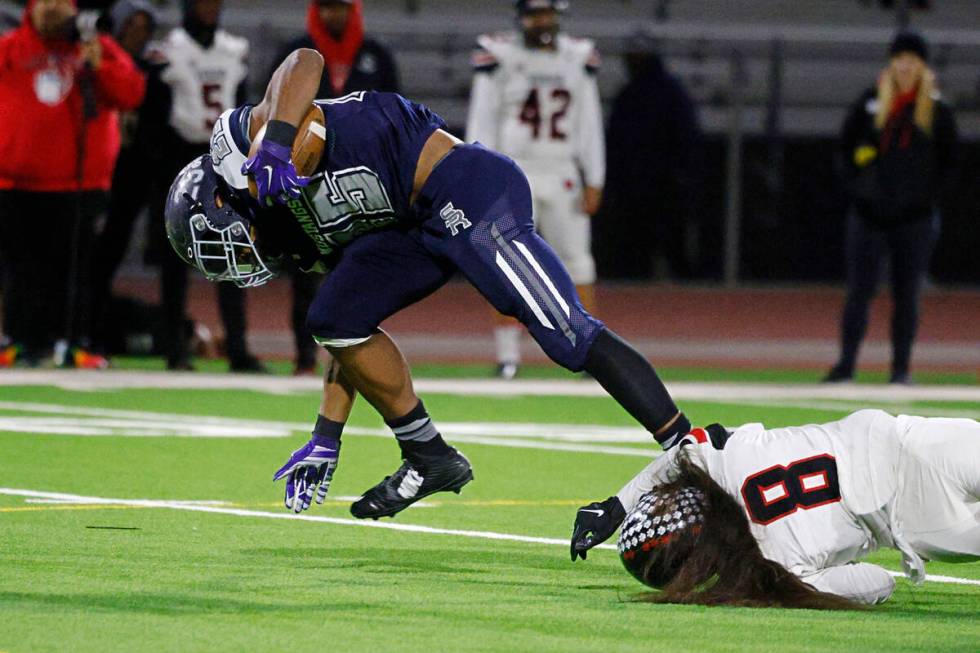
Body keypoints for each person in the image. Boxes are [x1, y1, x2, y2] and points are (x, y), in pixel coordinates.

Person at [164, 48, 693, 520]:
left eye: (213, 239)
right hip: (411, 228)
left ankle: (689, 448)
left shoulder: (250, 144)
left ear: (221, 196)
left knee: (565, 334)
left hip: (463, 188)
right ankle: (427, 454)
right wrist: (326, 436)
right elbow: (345, 330)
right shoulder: (292, 233)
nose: (227, 256)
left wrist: (276, 143)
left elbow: (304, 61)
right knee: (333, 316)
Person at [571, 409, 980, 607]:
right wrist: (615, 505)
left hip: (914, 518)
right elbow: (685, 449)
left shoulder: (770, 567)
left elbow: (877, 584)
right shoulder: (724, 459)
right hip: (903, 438)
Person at [0, 0, 145, 368]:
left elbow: (130, 93)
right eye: (45, 2)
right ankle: (19, 340)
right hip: (16, 179)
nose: (52, 9)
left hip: (79, 182)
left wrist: (97, 60)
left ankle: (73, 342)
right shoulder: (11, 48)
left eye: (60, 2)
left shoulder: (95, 44)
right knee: (20, 270)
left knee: (75, 269)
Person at [466, 0, 603, 379]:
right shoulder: (499, 54)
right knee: (503, 262)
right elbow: (483, 117)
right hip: (514, 170)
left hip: (562, 169)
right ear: (521, 17)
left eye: (547, 13)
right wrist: (479, 172)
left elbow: (588, 120)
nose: (541, 21)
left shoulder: (578, 56)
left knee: (578, 262)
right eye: (534, 14)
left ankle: (591, 351)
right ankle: (508, 356)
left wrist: (595, 177)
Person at [269, 0, 400, 375]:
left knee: (361, 274)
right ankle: (304, 357)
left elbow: (396, 115)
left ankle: (354, 359)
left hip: (361, 182)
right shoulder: (293, 54)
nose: (332, 15)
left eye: (339, 7)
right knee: (305, 272)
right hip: (306, 182)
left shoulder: (376, 55)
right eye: (325, 7)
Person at [824, 31, 957, 385]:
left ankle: (900, 370)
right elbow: (845, 148)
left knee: (907, 294)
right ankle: (846, 366)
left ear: (923, 66)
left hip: (915, 219)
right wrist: (858, 189)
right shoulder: (871, 102)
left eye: (913, 60)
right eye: (900, 58)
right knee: (859, 292)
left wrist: (925, 199)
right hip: (869, 217)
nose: (905, 66)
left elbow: (950, 162)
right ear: (891, 62)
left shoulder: (937, 111)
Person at [149, 0, 265, 371]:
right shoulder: (170, 50)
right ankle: (174, 348)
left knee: (234, 249)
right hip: (178, 154)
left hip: (223, 156)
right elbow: (156, 110)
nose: (210, 8)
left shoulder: (233, 50)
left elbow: (245, 107)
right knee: (175, 255)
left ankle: (237, 346)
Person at [90, 0, 165, 356]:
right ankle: (78, 332)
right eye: (131, 26)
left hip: (131, 175)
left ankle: (96, 333)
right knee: (90, 260)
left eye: (144, 27)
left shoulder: (151, 69)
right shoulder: (99, 60)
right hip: (98, 174)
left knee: (110, 255)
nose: (138, 34)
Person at [595, 31, 701, 280]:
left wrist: (682, 174)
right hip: (636, 183)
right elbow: (615, 139)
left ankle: (690, 301)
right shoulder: (629, 93)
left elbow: (685, 136)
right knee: (636, 248)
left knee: (672, 245)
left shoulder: (669, 93)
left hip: (664, 183)